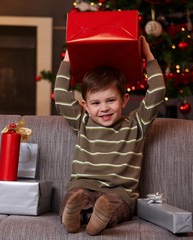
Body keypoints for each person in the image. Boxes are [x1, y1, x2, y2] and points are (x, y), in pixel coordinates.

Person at [54, 36, 166, 235]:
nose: (104, 108)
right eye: (96, 103)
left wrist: (148, 55)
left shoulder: (136, 124)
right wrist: (68, 58)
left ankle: (97, 219)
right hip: (83, 186)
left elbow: (157, 91)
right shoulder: (83, 122)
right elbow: (61, 96)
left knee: (114, 206)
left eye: (110, 101)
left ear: (124, 100)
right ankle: (72, 217)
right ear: (85, 106)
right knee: (74, 198)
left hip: (119, 192)